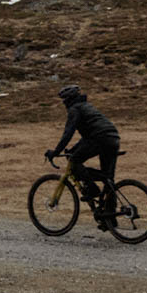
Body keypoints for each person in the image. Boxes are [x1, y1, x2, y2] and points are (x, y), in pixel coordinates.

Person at [45, 85, 121, 229]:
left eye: (64, 100)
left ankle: (92, 189)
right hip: (113, 138)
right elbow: (87, 135)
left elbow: (68, 133)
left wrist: (56, 152)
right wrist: (73, 149)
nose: (63, 103)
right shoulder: (86, 106)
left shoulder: (75, 109)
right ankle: (110, 218)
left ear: (69, 99)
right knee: (108, 179)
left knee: (74, 161)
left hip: (99, 138)